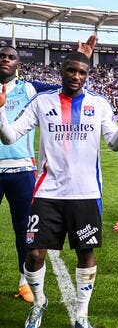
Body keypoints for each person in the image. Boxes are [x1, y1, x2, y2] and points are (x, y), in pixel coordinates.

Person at [0, 50, 118, 328]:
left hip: (86, 193)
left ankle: (81, 314)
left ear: (87, 75)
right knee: (34, 254)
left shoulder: (100, 103)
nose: (76, 76)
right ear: (62, 70)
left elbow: (116, 144)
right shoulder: (42, 101)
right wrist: (0, 109)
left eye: (82, 72)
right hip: (48, 193)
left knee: (86, 254)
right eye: (72, 70)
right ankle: (38, 301)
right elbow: (9, 137)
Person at [0, 38, 95, 304]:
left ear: (18, 64)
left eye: (11, 56)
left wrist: (81, 57)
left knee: (25, 232)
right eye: (2, 55)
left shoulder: (31, 89)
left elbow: (69, 90)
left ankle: (23, 282)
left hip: (22, 169)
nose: (6, 59)